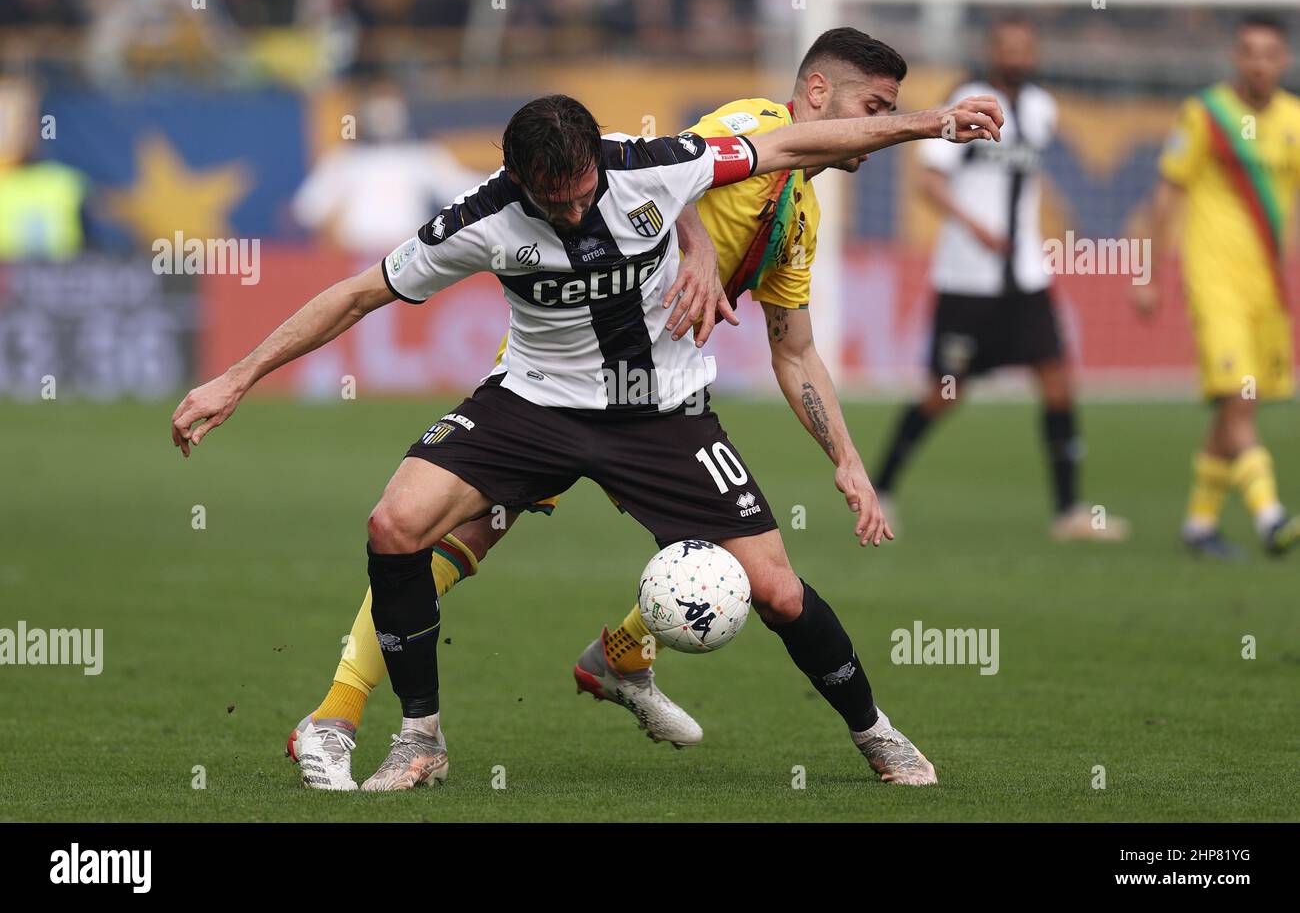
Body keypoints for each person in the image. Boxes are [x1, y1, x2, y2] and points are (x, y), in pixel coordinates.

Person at [172, 89, 1003, 791]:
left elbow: (790, 140)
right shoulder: (483, 219)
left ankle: (877, 735)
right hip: (532, 407)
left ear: (597, 163)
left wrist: (926, 124)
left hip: (660, 412)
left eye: (581, 193)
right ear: (519, 178)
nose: (571, 209)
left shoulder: (654, 164)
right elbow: (356, 296)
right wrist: (236, 378)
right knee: (394, 525)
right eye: (553, 200)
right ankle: (420, 737)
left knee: (779, 591)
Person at [873, 17, 1129, 543]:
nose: (1016, 55)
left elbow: (1029, 178)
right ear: (992, 51)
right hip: (968, 279)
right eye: (1006, 46)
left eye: (1024, 46)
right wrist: (977, 228)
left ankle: (1068, 511)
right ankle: (881, 491)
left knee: (1057, 383)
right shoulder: (967, 99)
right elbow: (928, 181)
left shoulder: (1041, 107)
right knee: (944, 393)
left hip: (1027, 278)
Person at [1136, 14, 1300, 559]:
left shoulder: (1294, 120)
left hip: (1268, 289)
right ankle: (1271, 516)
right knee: (1236, 398)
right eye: (1249, 52)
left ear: (1284, 61)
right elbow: (1167, 196)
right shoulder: (1205, 114)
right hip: (1214, 282)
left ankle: (1199, 526)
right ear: (1236, 57)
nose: (1258, 62)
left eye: (1269, 53)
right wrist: (1151, 274)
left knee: (1239, 412)